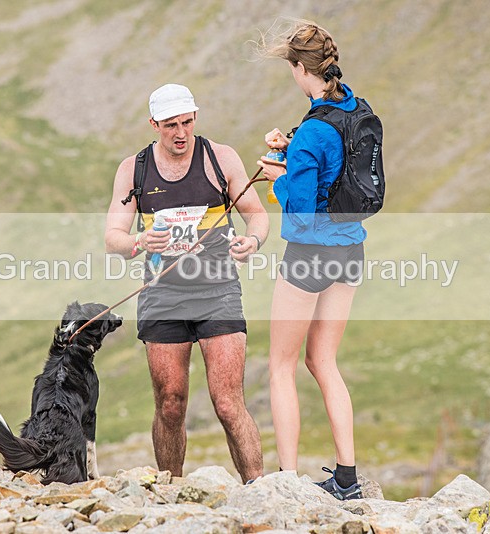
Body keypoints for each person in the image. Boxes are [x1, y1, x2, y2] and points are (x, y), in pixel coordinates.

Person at [105, 83, 268, 483]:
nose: (181, 133)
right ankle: (170, 491)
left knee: (227, 403)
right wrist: (140, 242)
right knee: (171, 404)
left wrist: (253, 241)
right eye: (171, 125)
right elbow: (113, 238)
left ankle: (259, 489)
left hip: (218, 290)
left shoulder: (220, 158)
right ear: (154, 124)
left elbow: (257, 214)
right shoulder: (134, 169)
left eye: (187, 123)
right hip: (162, 295)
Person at [256, 21, 368, 499]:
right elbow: (334, 163)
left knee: (281, 365)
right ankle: (347, 478)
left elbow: (300, 211)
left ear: (302, 69)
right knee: (324, 360)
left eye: (292, 69)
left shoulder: (311, 133)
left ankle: (287, 480)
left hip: (310, 254)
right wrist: (292, 151)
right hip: (351, 250)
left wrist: (277, 177)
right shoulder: (356, 108)